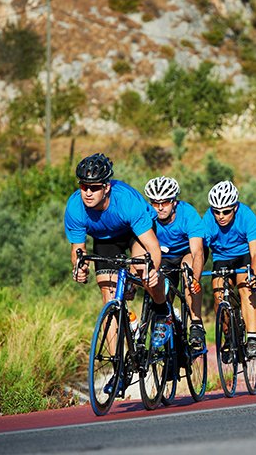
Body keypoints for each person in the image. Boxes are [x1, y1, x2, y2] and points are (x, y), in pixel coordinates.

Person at [65, 153, 170, 369]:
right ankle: (117, 366)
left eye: (94, 187)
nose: (88, 192)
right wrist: (79, 269)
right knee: (108, 296)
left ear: (106, 187)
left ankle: (162, 310)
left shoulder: (127, 202)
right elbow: (78, 250)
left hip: (135, 233)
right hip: (105, 239)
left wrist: (154, 271)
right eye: (84, 186)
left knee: (143, 267)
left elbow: (152, 247)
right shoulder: (75, 206)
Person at [202, 180, 256, 359]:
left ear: (235, 208)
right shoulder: (208, 219)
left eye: (226, 211)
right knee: (218, 294)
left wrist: (255, 275)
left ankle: (252, 338)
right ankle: (228, 336)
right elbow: (201, 250)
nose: (220, 216)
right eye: (216, 212)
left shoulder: (247, 216)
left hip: (243, 255)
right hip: (221, 258)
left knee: (246, 288)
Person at [144, 175, 207, 351]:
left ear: (174, 202)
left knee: (187, 272)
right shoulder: (148, 216)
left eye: (164, 202)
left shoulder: (188, 214)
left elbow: (197, 251)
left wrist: (195, 278)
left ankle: (196, 323)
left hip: (187, 252)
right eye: (155, 203)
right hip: (163, 256)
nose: (159, 207)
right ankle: (171, 346)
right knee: (160, 290)